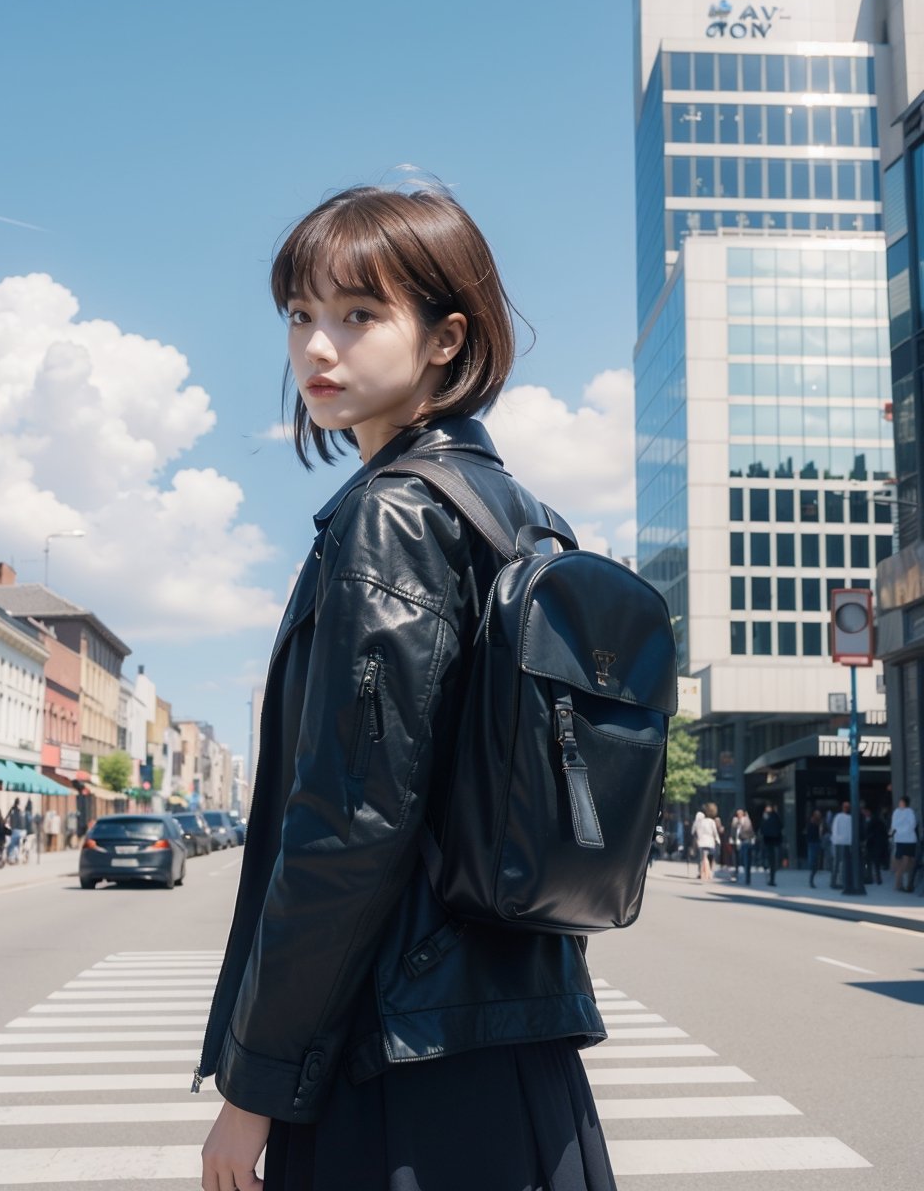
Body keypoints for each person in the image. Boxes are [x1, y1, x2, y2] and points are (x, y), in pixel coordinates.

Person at [198, 186, 617, 1191]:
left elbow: (348, 826)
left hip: (396, 1065)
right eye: (300, 314)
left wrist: (253, 1090)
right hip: (514, 1037)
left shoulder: (389, 518)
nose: (316, 349)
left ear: (444, 338)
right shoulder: (519, 515)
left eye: (358, 313)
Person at [890, 796, 919, 891]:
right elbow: (912, 824)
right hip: (905, 839)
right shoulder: (906, 812)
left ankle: (902, 882)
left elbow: (895, 825)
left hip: (903, 839)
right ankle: (902, 882)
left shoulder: (903, 812)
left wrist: (897, 831)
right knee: (905, 861)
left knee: (905, 861)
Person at [691, 802, 721, 881]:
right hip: (710, 842)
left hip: (701, 842)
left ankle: (701, 872)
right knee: (710, 858)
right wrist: (718, 840)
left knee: (701, 858)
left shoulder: (701, 821)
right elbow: (715, 832)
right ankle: (708, 872)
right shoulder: (712, 822)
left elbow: (697, 831)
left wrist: (698, 839)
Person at [830, 800, 853, 890]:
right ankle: (834, 882)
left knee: (843, 863)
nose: (846, 808)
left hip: (846, 842)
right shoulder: (838, 817)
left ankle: (841, 882)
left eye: (848, 806)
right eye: (845, 806)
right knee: (837, 863)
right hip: (840, 842)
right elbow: (835, 829)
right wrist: (837, 839)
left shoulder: (850, 817)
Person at [759, 803, 783, 886]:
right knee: (772, 861)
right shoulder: (775, 816)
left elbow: (762, 828)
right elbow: (780, 826)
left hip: (770, 841)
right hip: (773, 841)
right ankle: (771, 878)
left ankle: (771, 878)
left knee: (770, 860)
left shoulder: (767, 816)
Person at [730, 807, 755, 885]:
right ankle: (736, 874)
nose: (739, 815)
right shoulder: (735, 821)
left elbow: (749, 831)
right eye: (738, 814)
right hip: (736, 842)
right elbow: (733, 831)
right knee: (736, 859)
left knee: (746, 860)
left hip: (745, 841)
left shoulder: (747, 821)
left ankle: (747, 878)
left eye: (740, 813)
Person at [864, 808, 889, 886]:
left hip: (872, 844)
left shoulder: (871, 822)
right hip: (879, 844)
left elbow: (868, 833)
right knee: (876, 863)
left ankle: (869, 877)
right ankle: (878, 879)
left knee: (868, 862)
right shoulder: (880, 823)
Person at [806, 809, 823, 888]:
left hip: (815, 843)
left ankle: (811, 879)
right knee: (813, 862)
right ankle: (811, 880)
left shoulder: (817, 823)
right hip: (813, 843)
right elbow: (815, 834)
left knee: (815, 862)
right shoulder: (814, 823)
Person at [5, 797, 24, 863]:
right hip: (18, 829)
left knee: (13, 844)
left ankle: (12, 858)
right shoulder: (19, 811)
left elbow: (7, 818)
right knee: (16, 844)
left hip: (14, 829)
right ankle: (15, 858)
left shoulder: (13, 810)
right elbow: (22, 821)